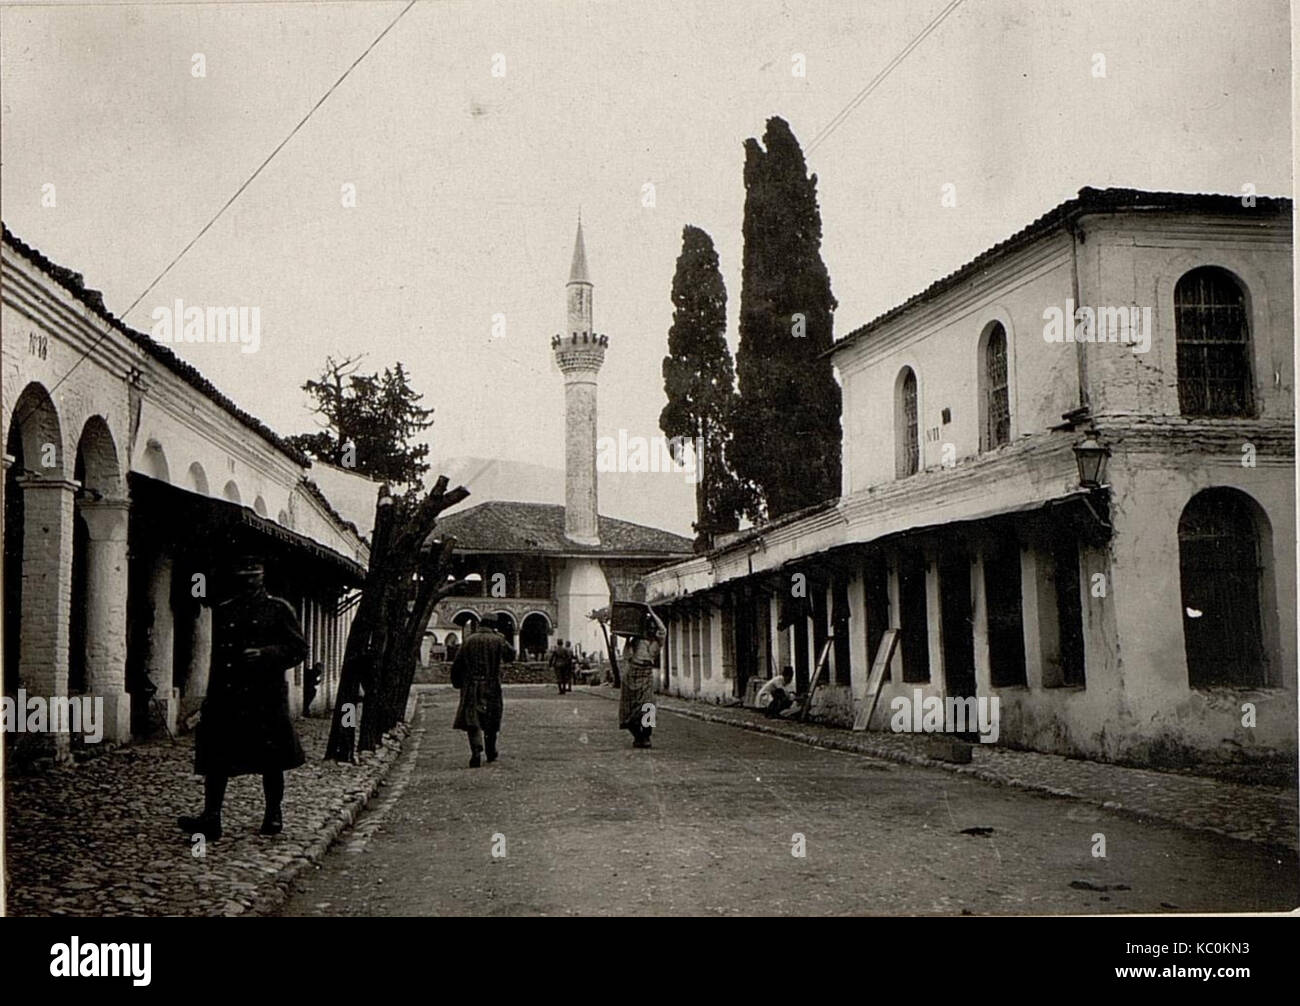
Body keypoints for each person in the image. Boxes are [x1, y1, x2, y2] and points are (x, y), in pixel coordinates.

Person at [178, 554, 308, 841]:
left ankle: (273, 814)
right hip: (229, 694)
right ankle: (211, 817)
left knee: (271, 758)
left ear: (263, 577)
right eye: (244, 577)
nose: (249, 581)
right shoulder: (227, 609)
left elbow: (298, 649)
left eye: (254, 576)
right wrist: (211, 696)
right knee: (216, 757)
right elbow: (218, 657)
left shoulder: (278, 609)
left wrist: (267, 653)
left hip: (265, 695)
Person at [450, 614, 515, 767]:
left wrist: (457, 683)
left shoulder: (469, 640)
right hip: (492, 685)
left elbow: (457, 664)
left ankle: (476, 751)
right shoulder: (498, 640)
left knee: (473, 719)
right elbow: (511, 655)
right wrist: (502, 638)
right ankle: (491, 751)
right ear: (494, 625)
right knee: (491, 719)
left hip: (472, 685)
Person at [618, 607, 666, 748]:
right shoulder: (636, 641)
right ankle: (637, 736)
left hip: (646, 674)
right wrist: (627, 640)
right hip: (632, 673)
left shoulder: (658, 642)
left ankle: (646, 736)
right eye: (649, 627)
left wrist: (650, 612)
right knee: (629, 708)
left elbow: (662, 628)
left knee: (648, 706)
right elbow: (627, 655)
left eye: (653, 627)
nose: (652, 630)